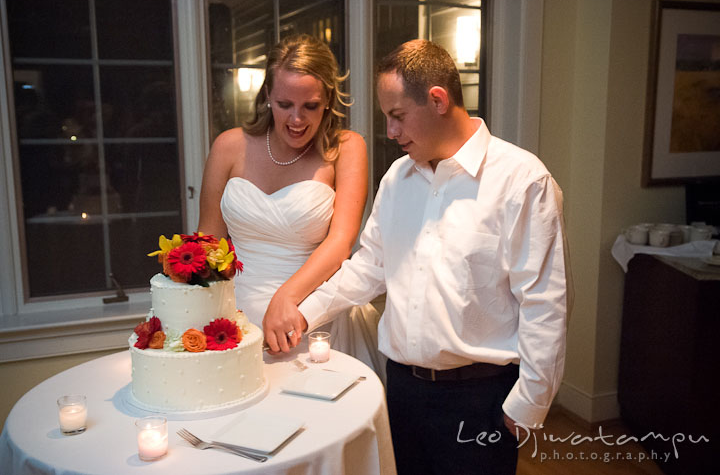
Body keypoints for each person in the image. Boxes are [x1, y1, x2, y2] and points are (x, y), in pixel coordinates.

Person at [270, 39, 571, 474]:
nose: (391, 132)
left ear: (437, 100)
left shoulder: (522, 181)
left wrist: (528, 405)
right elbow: (369, 268)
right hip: (401, 391)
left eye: (397, 116)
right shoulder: (398, 178)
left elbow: (547, 303)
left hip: (480, 396)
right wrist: (303, 313)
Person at [198, 34, 385, 377]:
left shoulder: (346, 148)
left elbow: (341, 242)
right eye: (285, 104)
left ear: (328, 100)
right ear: (267, 94)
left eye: (310, 106)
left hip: (312, 313)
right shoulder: (229, 146)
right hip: (234, 319)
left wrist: (287, 299)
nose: (297, 119)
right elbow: (207, 243)